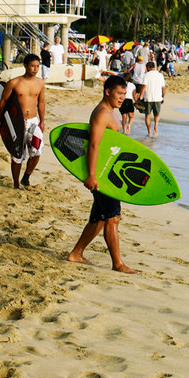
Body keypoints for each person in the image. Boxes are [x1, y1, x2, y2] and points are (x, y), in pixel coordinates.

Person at [67, 75, 135, 274]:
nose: (122, 97)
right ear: (108, 92)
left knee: (100, 218)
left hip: (107, 171)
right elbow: (94, 145)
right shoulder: (102, 113)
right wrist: (91, 174)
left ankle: (76, 253)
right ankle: (117, 264)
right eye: (119, 93)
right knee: (112, 217)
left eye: (125, 94)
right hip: (101, 174)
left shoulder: (111, 112)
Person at [0, 53, 46, 189]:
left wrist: (42, 121)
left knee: (37, 151)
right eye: (32, 66)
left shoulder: (40, 83)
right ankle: (16, 183)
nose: (35, 69)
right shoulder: (14, 83)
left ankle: (26, 177)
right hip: (17, 122)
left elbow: (41, 102)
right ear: (25, 66)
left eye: (37, 66)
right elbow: (2, 102)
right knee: (17, 154)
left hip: (33, 122)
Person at [136, 61, 166, 137]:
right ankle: (155, 127)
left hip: (148, 98)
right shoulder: (160, 75)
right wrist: (163, 97)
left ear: (148, 67)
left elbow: (144, 86)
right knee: (157, 114)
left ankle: (149, 131)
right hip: (158, 98)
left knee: (147, 115)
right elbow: (163, 88)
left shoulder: (146, 75)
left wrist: (140, 96)